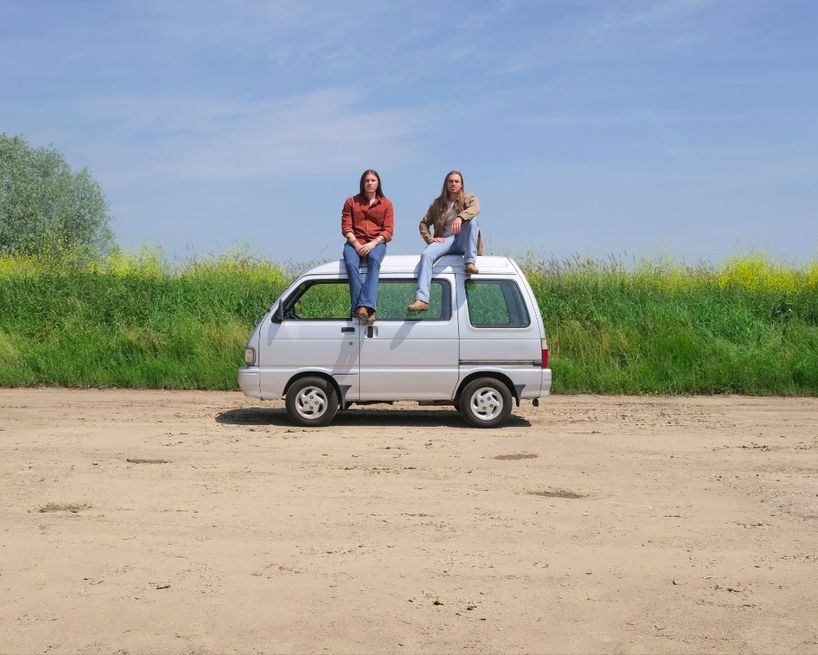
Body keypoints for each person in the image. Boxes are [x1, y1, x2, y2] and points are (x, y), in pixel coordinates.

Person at [407, 170, 482, 312]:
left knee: (473, 221)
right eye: (450, 181)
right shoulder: (437, 203)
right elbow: (423, 223)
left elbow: (476, 208)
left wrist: (460, 217)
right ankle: (422, 299)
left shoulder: (469, 198)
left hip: (463, 239)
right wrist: (431, 239)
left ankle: (469, 262)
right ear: (446, 184)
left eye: (456, 181)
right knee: (426, 255)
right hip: (445, 241)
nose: (453, 183)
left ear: (461, 184)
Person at [342, 169, 394, 322]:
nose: (370, 183)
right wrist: (356, 244)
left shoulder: (386, 204)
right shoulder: (351, 202)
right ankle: (366, 309)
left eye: (373, 180)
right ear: (362, 183)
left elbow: (388, 231)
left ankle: (362, 307)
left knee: (373, 259)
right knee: (350, 263)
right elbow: (346, 227)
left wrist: (373, 244)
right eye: (367, 180)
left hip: (377, 242)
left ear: (378, 183)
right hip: (354, 241)